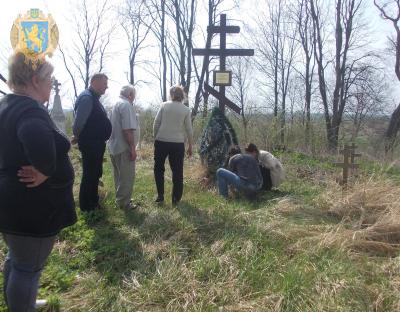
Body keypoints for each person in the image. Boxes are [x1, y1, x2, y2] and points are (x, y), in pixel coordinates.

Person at [0, 51, 77, 311]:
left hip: (12, 201)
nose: (50, 84)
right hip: (32, 207)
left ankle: (21, 302)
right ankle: (22, 305)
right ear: (34, 80)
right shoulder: (30, 111)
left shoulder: (7, 104)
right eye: (49, 78)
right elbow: (34, 134)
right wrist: (45, 168)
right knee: (27, 267)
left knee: (17, 260)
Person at [72, 73, 112, 211]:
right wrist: (77, 136)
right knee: (90, 174)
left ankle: (93, 202)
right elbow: (78, 123)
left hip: (95, 143)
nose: (107, 86)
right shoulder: (87, 98)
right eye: (104, 83)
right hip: (90, 144)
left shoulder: (93, 98)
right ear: (95, 82)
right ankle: (87, 206)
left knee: (95, 173)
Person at [153, 85, 193, 205]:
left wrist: (155, 137)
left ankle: (160, 196)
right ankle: (176, 199)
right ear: (183, 95)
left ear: (171, 94)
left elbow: (156, 123)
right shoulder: (186, 110)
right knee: (177, 171)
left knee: (158, 168)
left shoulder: (164, 105)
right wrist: (190, 145)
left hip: (161, 141)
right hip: (178, 143)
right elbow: (189, 129)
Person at [108, 85, 139, 210]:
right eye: (134, 95)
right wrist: (132, 148)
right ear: (130, 94)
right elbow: (127, 130)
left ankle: (121, 198)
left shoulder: (115, 104)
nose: (134, 98)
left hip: (113, 145)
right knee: (126, 176)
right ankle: (124, 203)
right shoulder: (126, 105)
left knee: (119, 175)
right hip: (123, 146)